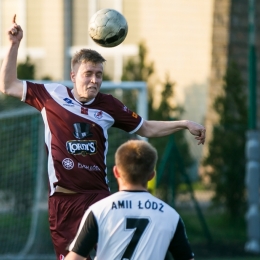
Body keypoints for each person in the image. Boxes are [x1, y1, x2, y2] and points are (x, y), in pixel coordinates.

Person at [0, 15, 203, 260]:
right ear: (73, 75)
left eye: (99, 74)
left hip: (99, 199)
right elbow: (8, 85)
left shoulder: (109, 105)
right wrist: (14, 44)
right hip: (63, 200)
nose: (94, 80)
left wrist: (183, 123)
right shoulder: (50, 94)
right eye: (88, 73)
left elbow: (146, 128)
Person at [65, 140, 195, 260]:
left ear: (116, 172)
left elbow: (75, 258)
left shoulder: (99, 210)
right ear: (151, 175)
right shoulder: (170, 215)